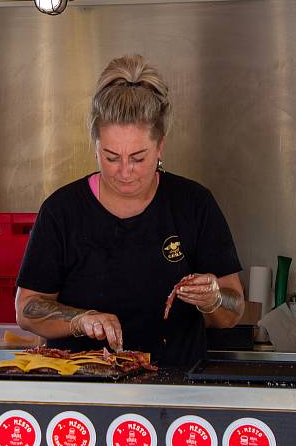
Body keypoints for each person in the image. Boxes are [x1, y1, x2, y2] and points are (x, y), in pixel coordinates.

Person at [15, 54, 245, 366]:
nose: (125, 171)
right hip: (82, 400)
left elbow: (233, 310)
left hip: (174, 395)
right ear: (95, 145)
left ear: (160, 146)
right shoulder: (62, 211)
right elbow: (27, 308)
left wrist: (213, 297)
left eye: (138, 157)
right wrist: (80, 319)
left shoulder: (193, 204)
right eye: (111, 157)